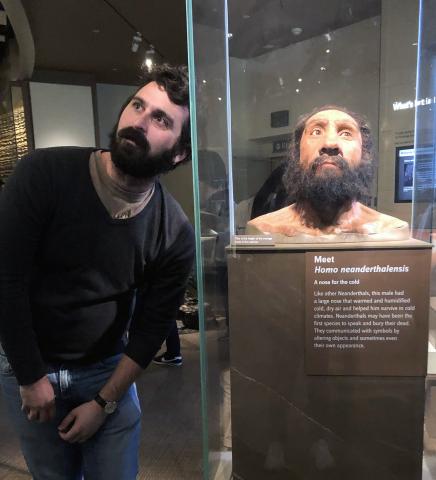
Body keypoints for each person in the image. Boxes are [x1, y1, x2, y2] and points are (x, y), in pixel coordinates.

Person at [0, 64, 194, 479]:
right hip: (28, 364)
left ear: (178, 153)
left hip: (106, 370)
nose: (139, 120)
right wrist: (32, 376)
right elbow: (6, 280)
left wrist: (105, 402)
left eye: (160, 119)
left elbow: (150, 329)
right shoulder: (43, 174)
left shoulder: (174, 231)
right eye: (138, 105)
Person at [247, 105, 409, 241]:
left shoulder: (390, 231)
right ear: (296, 153)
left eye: (346, 133)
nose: (330, 143)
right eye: (316, 132)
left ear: (364, 154)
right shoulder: (264, 230)